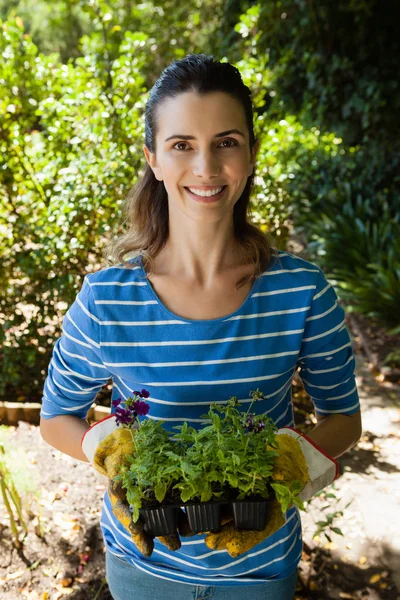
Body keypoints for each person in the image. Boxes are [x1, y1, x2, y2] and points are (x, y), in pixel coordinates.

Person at [39, 53, 362, 600]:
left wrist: (291, 467)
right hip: (142, 566)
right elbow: (55, 419)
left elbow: (344, 419)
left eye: (226, 142)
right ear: (154, 159)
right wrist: (110, 451)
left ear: (252, 155)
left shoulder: (301, 290)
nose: (206, 168)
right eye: (182, 145)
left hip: (259, 572)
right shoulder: (106, 299)